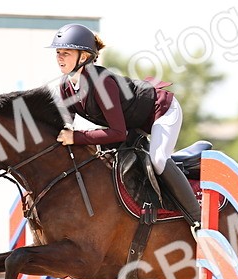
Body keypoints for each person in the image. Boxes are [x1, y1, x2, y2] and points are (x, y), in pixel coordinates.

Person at [47, 24, 201, 229]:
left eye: (66, 53)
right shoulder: (66, 86)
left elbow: (118, 133)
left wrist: (77, 137)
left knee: (158, 159)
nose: (59, 57)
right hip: (132, 122)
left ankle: (198, 220)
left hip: (161, 111)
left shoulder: (101, 84)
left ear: (83, 57)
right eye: (58, 52)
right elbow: (66, 123)